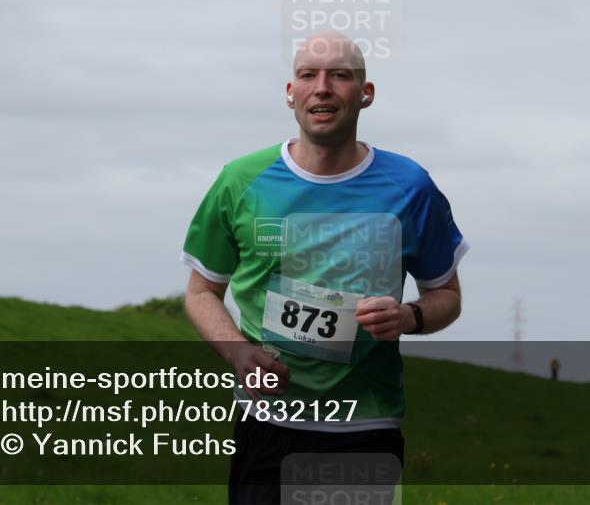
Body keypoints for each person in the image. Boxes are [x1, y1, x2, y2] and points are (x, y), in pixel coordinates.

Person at [181, 31, 468, 504]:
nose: (322, 87)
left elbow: (448, 296)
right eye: (308, 75)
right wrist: (237, 354)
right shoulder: (241, 181)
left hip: (366, 424)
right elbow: (201, 292)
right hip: (268, 422)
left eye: (341, 75)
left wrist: (408, 317)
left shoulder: (410, 186)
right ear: (290, 93)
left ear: (366, 94)